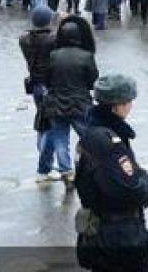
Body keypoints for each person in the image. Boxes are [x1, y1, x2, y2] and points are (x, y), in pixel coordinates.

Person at [74, 74, 148, 272]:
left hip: (101, 231)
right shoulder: (109, 142)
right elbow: (128, 189)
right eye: (128, 101)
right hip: (119, 234)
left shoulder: (92, 132)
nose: (130, 105)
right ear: (117, 105)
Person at [42, 16, 98, 187]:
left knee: (60, 140)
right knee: (90, 137)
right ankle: (93, 167)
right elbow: (93, 80)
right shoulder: (86, 56)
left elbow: (47, 79)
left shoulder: (53, 55)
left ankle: (67, 172)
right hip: (80, 103)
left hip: (56, 103)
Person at [20, 6, 57, 173]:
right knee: (50, 124)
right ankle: (45, 160)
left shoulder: (24, 39)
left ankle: (44, 157)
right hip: (49, 85)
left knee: (42, 119)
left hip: (35, 84)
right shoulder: (51, 40)